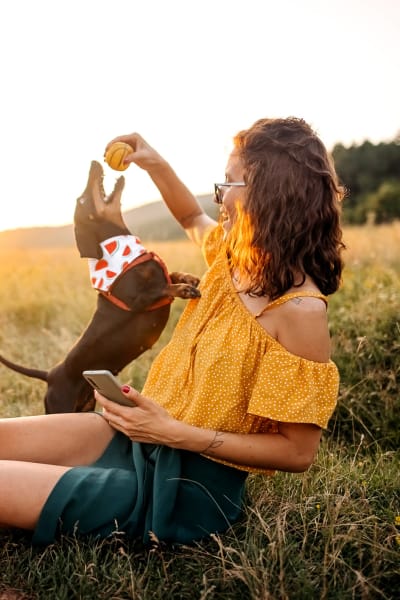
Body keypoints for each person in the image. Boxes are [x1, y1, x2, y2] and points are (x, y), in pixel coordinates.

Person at [0, 117, 345, 546]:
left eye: (229, 183)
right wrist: (153, 161)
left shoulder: (299, 311)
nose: (219, 197)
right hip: (137, 439)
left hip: (185, 488)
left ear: (268, 195)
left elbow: (297, 451)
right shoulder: (232, 258)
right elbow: (189, 214)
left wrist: (175, 433)